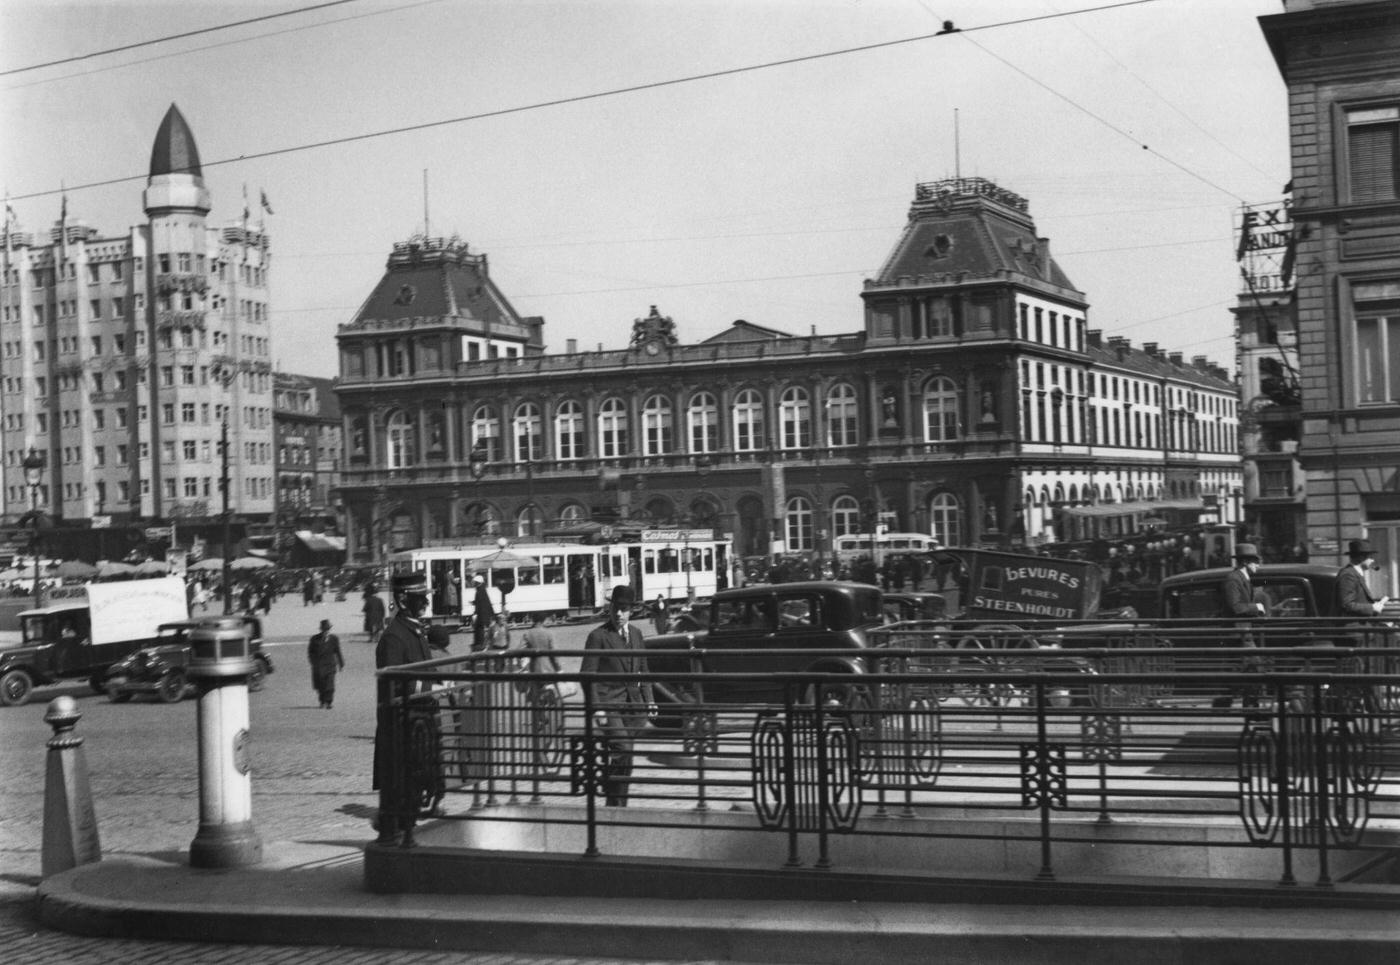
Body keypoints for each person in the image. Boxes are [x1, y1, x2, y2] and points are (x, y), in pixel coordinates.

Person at [373, 572, 435, 843]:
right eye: (419, 599)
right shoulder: (394, 638)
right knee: (400, 788)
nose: (425, 604)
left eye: (424, 598)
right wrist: (432, 686)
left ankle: (403, 836)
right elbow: (395, 686)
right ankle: (397, 840)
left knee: (414, 787)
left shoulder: (414, 630)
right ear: (402, 599)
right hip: (401, 726)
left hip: (418, 722)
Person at [580, 584, 655, 807]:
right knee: (623, 748)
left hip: (634, 708)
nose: (619, 614)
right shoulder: (598, 636)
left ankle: (618, 803)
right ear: (610, 609)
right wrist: (598, 708)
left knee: (626, 757)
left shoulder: (637, 634)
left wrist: (649, 699)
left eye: (624, 609)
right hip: (609, 705)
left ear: (632, 610)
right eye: (616, 609)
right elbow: (587, 675)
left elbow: (644, 669)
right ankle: (614, 801)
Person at [1214, 543, 1264, 711]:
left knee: (1248, 669)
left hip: (1243, 633)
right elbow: (1235, 607)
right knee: (1253, 667)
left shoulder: (1242, 579)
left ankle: (1241, 704)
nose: (1258, 565)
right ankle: (1249, 706)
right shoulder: (1233, 580)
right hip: (1238, 634)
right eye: (1255, 561)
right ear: (1245, 563)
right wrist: (1256, 608)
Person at [1335, 539, 1390, 617]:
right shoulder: (1348, 575)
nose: (1373, 560)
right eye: (1370, 557)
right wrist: (1372, 607)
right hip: (1354, 626)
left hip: (1362, 623)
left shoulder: (1355, 573)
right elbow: (1346, 604)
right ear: (1361, 557)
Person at [307, 618, 344, 709]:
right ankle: (322, 701)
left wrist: (341, 664)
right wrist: (313, 662)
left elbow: (338, 651)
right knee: (321, 685)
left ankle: (329, 701)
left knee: (330, 685)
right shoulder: (314, 639)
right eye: (325, 630)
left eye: (328, 629)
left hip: (330, 665)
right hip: (319, 666)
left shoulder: (334, 639)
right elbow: (310, 652)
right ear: (322, 630)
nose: (326, 631)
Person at [471, 574, 495, 651]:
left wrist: (475, 613)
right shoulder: (483, 590)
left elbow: (479, 605)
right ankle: (481, 644)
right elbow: (487, 603)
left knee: (479, 631)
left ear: (478, 583)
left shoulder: (478, 592)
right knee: (481, 630)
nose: (474, 584)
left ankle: (480, 645)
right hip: (484, 615)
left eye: (475, 582)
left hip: (481, 616)